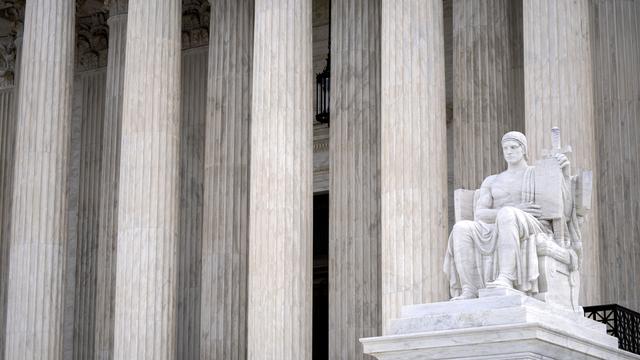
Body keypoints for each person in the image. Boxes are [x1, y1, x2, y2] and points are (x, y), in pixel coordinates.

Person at [443, 131, 571, 300]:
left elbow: (564, 208)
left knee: (507, 214)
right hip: (496, 224)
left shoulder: (538, 174)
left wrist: (564, 173)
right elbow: (480, 214)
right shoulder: (492, 181)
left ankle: (506, 278)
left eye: (513, 147)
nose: (509, 151)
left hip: (533, 224)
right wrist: (515, 207)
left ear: (523, 149)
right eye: (505, 148)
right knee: (461, 228)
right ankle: (469, 289)